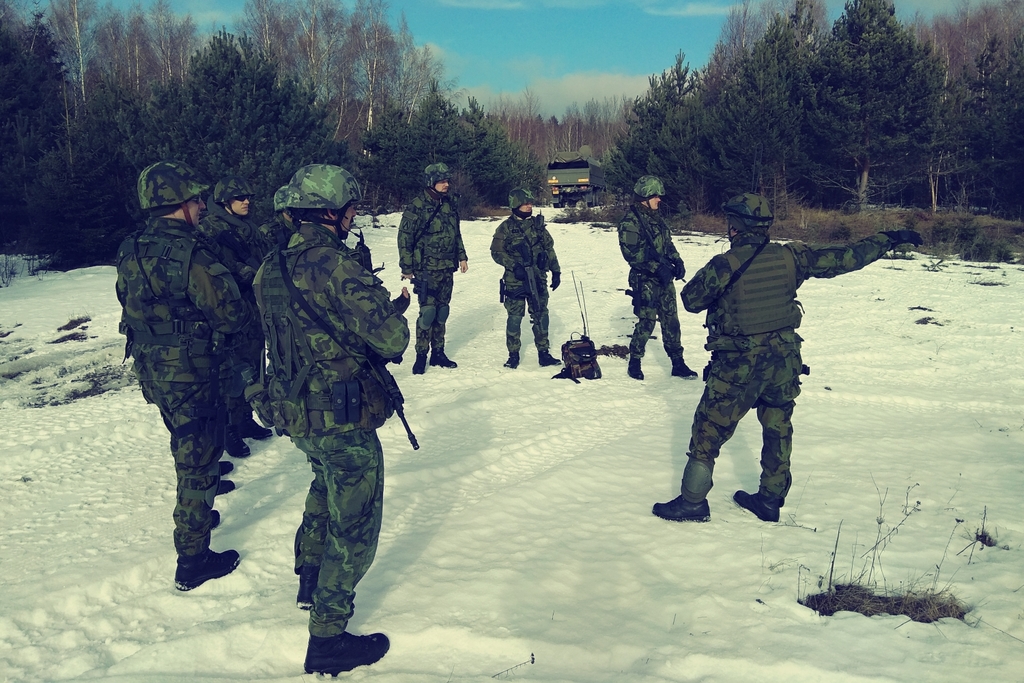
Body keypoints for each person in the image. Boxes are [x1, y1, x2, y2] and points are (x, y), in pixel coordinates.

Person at [652, 193, 923, 523]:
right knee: (778, 427)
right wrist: (888, 239)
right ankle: (769, 500)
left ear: (734, 227)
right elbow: (846, 257)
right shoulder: (792, 256)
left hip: (739, 366)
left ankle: (692, 504)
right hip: (783, 362)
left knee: (708, 431)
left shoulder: (724, 265)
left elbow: (692, 300)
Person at [252, 164, 410, 675]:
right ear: (330, 212)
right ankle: (328, 636)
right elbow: (392, 341)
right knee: (356, 521)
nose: (354, 217)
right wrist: (393, 310)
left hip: (297, 411)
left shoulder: (269, 267)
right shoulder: (335, 265)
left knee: (323, 488)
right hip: (342, 413)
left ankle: (309, 576)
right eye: (350, 209)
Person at [116, 161, 250, 590]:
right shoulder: (191, 254)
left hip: (153, 371)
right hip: (192, 373)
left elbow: (127, 299)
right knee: (195, 462)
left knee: (186, 443)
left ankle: (200, 505)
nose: (201, 206)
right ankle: (193, 558)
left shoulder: (130, 248)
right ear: (180, 204)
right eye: (196, 200)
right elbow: (229, 314)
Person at [198, 175, 275, 458]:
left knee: (254, 361)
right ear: (224, 202)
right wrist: (241, 272)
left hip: (253, 305)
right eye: (240, 198)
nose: (246, 202)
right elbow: (210, 266)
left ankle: (244, 420)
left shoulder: (248, 227)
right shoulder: (211, 228)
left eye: (248, 197)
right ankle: (229, 427)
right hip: (230, 306)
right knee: (234, 369)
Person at [618, 175, 698, 381]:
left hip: (664, 278)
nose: (659, 200)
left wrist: (677, 261)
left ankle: (678, 363)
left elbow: (668, 244)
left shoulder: (657, 219)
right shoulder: (630, 222)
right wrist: (656, 268)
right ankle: (635, 360)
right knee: (646, 321)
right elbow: (632, 254)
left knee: (671, 321)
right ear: (645, 197)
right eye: (655, 196)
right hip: (644, 278)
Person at [397, 162, 468, 374]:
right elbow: (404, 238)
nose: (447, 184)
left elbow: (456, 233)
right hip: (426, 269)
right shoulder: (416, 207)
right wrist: (406, 266)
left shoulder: (449, 205)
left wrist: (462, 256)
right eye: (442, 181)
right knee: (427, 313)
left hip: (447, 267)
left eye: (448, 181)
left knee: (442, 311)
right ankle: (421, 355)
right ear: (431, 182)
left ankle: (438, 353)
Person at [490, 188, 562, 369]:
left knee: (541, 314)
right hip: (515, 280)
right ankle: (513, 354)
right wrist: (514, 266)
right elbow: (496, 252)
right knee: (515, 317)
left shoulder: (538, 227)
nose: (529, 205)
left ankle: (543, 353)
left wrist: (556, 271)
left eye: (530, 202)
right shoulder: (505, 228)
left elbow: (549, 249)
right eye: (525, 203)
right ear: (515, 205)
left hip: (537, 278)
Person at [257, 184, 297, 255]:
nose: (294, 214)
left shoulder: (304, 225)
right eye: (289, 210)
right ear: (281, 211)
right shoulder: (267, 231)